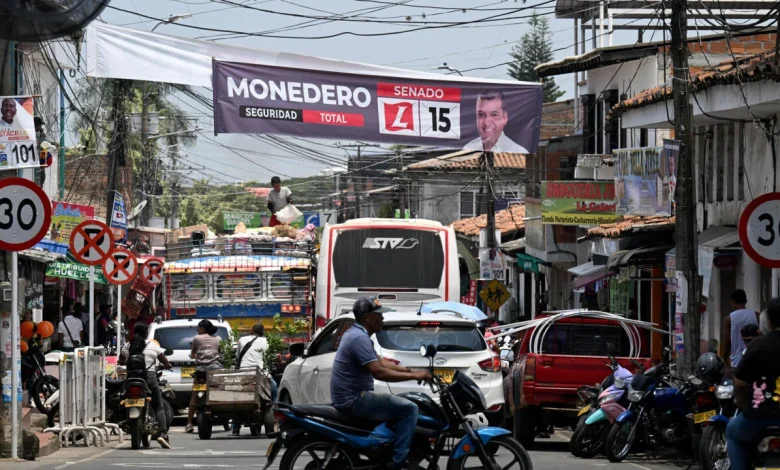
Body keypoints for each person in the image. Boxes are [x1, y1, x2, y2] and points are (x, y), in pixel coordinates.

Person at [331, 297, 432, 470]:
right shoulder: (359, 338)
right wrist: (415, 376)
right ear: (367, 318)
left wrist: (411, 370)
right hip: (354, 399)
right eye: (379, 315)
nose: (382, 318)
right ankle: (398, 462)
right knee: (410, 408)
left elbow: (382, 362)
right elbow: (379, 371)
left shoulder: (358, 334)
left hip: (352, 396)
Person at [726, 297, 780, 470]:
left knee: (732, 432)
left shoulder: (757, 346)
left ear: (769, 321)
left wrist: (742, 404)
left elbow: (739, 383)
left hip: (757, 416)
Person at [118, 323, 173, 449]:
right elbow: (164, 360)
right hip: (150, 378)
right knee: (158, 405)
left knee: (123, 399)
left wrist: (124, 362)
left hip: (131, 379)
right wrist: (167, 365)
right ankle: (163, 434)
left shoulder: (127, 346)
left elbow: (121, 360)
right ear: (146, 332)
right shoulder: (153, 345)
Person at [232, 323, 276, 436]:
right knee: (274, 389)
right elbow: (270, 358)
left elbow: (237, 358)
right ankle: (274, 409)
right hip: (261, 374)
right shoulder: (267, 342)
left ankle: (235, 427)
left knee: (236, 399)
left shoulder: (242, 340)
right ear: (263, 332)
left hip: (244, 373)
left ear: (252, 330)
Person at [185, 320, 222, 433]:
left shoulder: (197, 338)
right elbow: (220, 353)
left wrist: (196, 356)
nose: (197, 330)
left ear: (202, 329)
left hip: (201, 372)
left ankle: (189, 423)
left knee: (194, 397)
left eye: (198, 328)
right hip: (214, 371)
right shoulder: (218, 339)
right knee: (217, 391)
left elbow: (192, 354)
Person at [463, 90, 528, 154]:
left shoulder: (520, 153)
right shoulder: (467, 149)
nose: (486, 123)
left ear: (505, 117)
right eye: (481, 115)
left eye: (494, 115)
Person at [721, 289, 760, 369]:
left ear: (733, 302)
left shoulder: (728, 319)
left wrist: (724, 359)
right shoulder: (756, 315)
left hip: (736, 363)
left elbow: (727, 342)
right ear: (746, 301)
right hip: (755, 360)